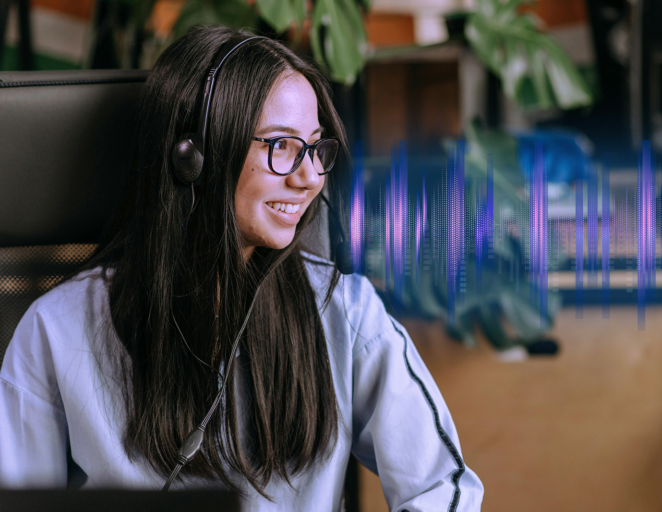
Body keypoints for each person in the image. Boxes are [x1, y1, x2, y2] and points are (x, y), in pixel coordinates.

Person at [0, 26, 483, 511]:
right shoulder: (55, 331)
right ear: (192, 158)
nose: (311, 177)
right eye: (281, 146)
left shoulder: (347, 314)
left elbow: (443, 489)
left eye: (316, 147)